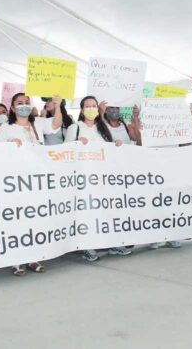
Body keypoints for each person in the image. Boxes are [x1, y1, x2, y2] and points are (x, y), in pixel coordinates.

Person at [0, 93, 62, 274]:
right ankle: (16, 260)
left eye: (26, 103)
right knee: (18, 221)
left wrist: (58, 105)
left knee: (36, 219)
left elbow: (55, 125)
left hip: (38, 181)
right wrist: (10, 146)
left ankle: (34, 258)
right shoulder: (6, 128)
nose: (24, 106)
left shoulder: (38, 123)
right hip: (16, 182)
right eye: (19, 103)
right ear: (13, 108)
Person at [65, 96, 130, 261]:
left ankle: (113, 242)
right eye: (87, 106)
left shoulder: (103, 127)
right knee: (86, 212)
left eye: (94, 106)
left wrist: (117, 145)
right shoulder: (75, 128)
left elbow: (109, 148)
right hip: (83, 179)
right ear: (81, 110)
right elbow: (65, 151)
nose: (91, 108)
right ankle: (88, 246)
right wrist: (77, 143)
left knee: (107, 210)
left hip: (103, 177)